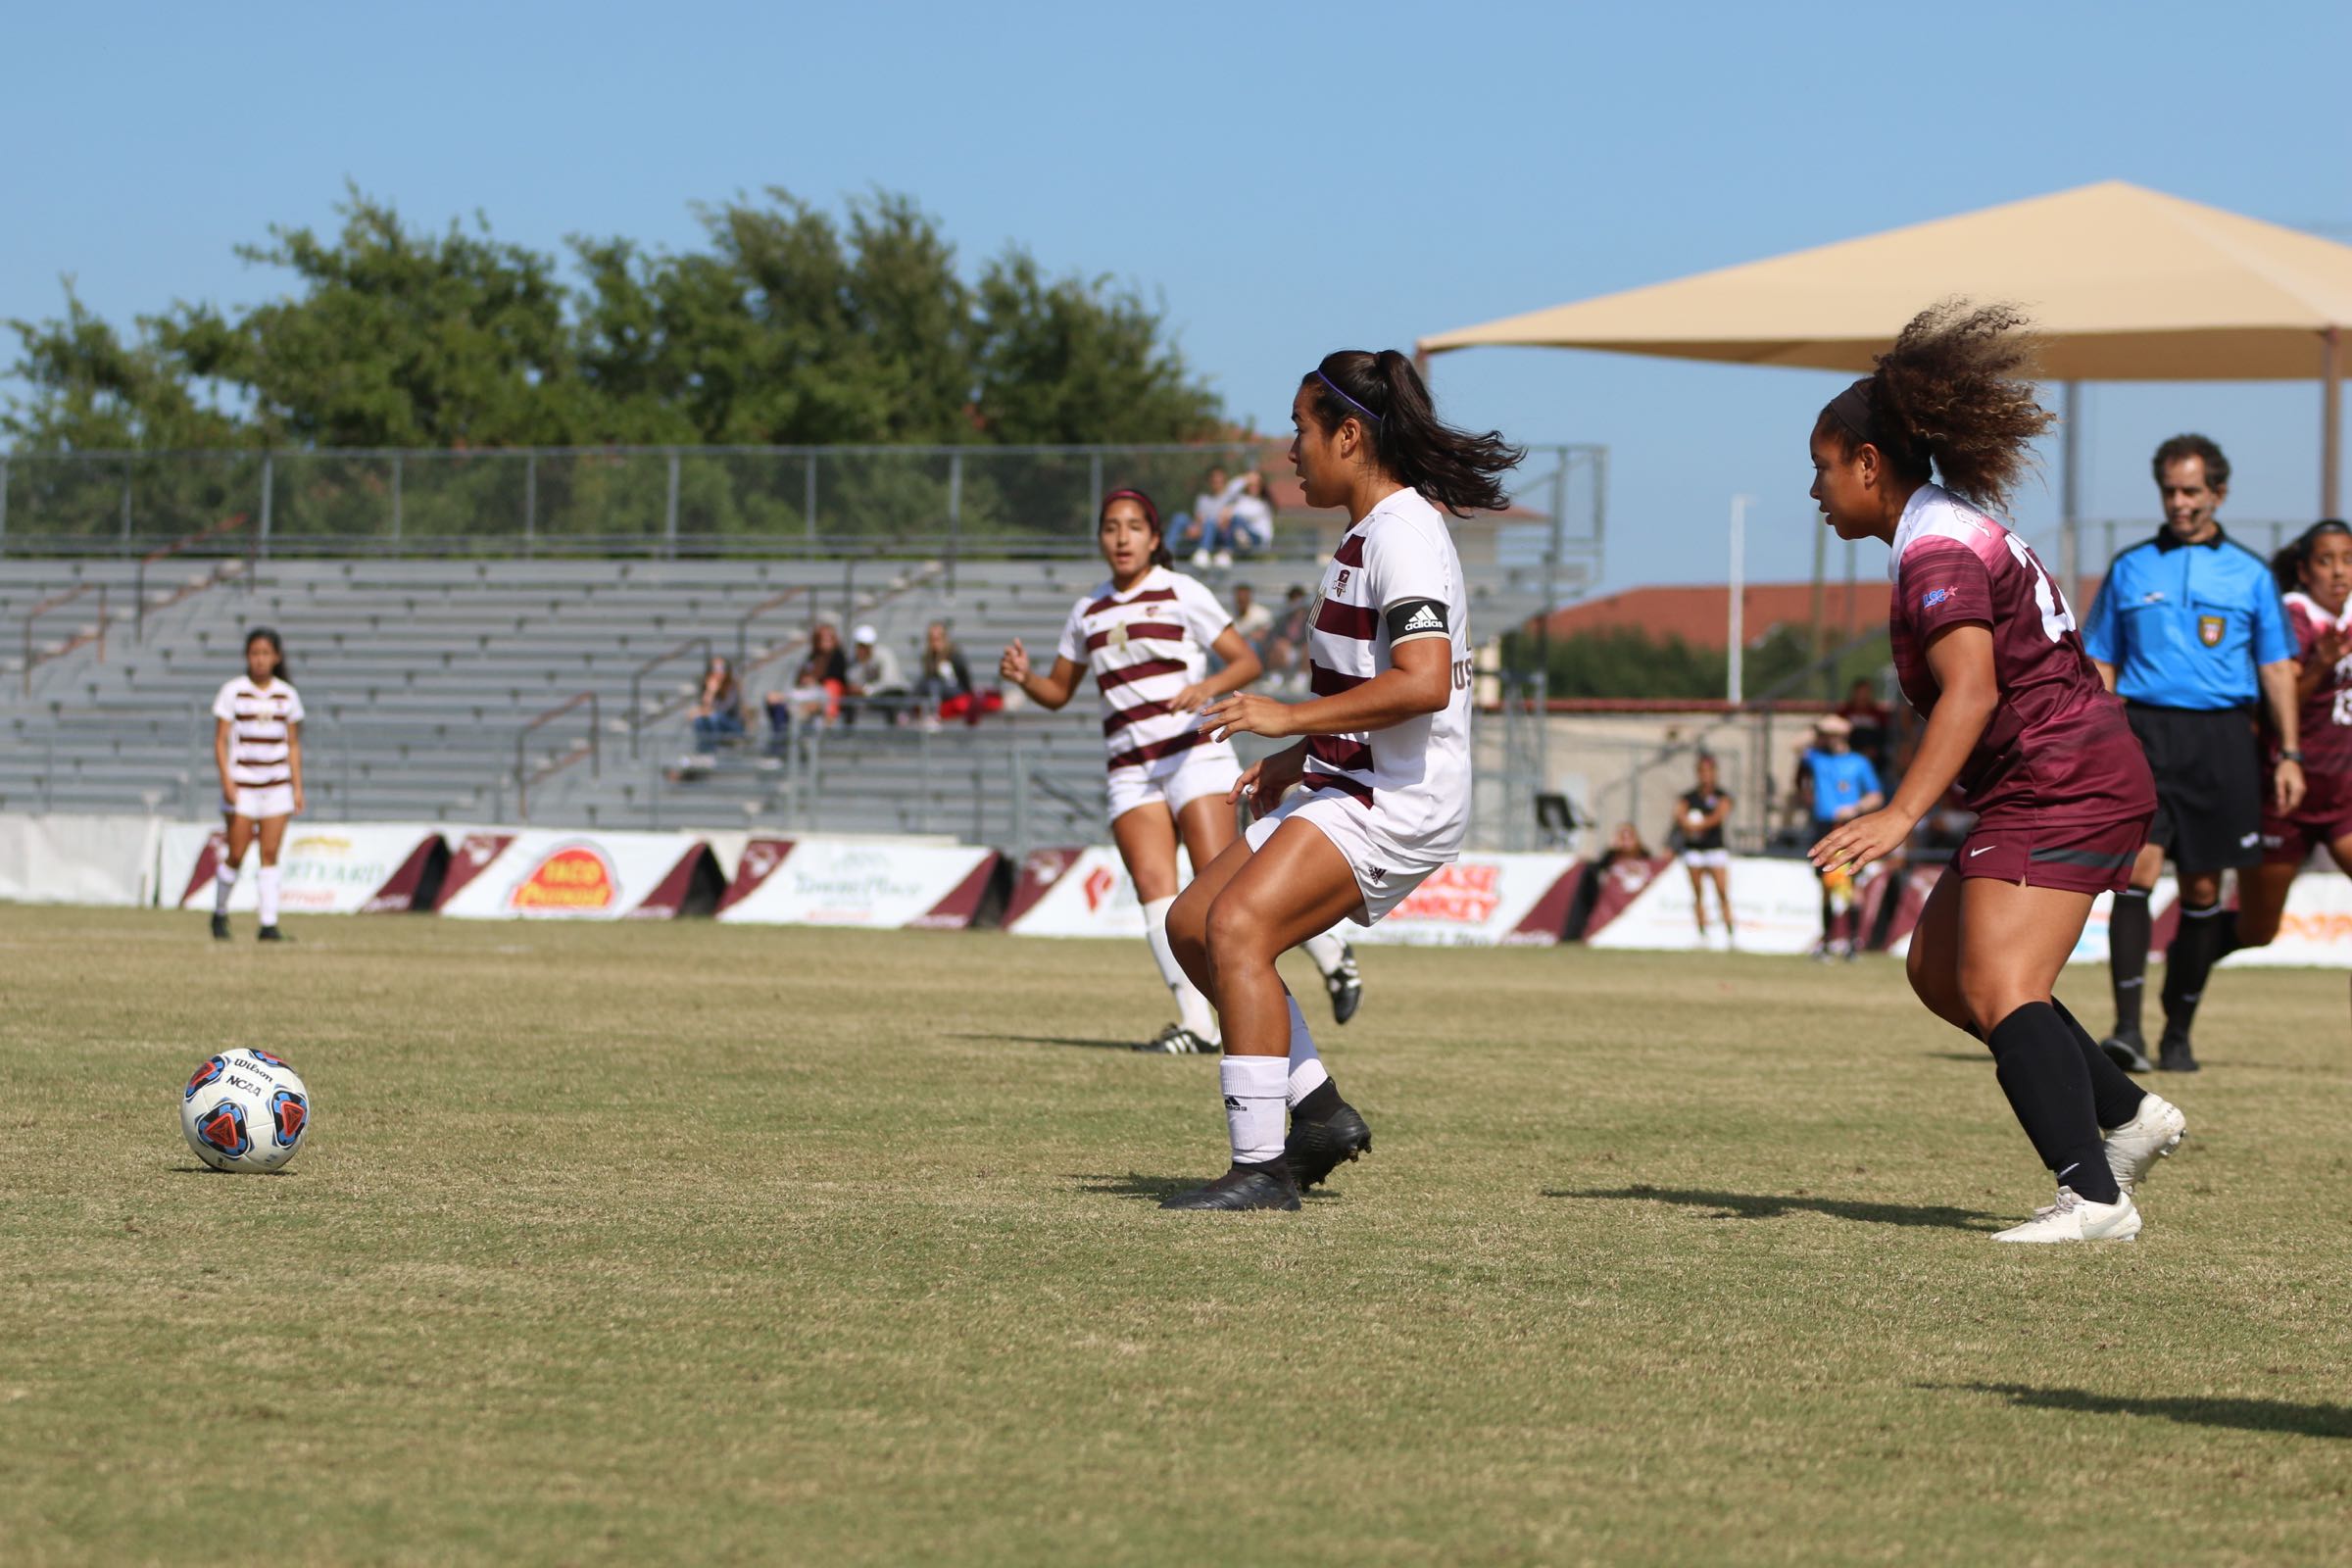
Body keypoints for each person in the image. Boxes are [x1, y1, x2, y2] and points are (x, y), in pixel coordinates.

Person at [1805, 299, 2180, 1245]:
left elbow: (1969, 691)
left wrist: (1898, 813)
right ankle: (2129, 1115)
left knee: (2002, 984)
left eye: (1820, 468)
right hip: (2051, 772)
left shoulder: (1937, 547)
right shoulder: (1948, 530)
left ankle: (2094, 1199)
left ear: (1866, 463)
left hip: (2065, 778)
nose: (1814, 491)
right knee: (1941, 972)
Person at [1157, 347, 1520, 1211]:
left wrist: (1285, 717)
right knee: (1192, 923)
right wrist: (1299, 756)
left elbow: (1423, 680)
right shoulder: (1368, 535)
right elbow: (1369, 689)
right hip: (1350, 781)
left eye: (1300, 429)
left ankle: (1261, 1169)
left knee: (1239, 929)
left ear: (1349, 435)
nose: (1290, 450)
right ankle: (1317, 1112)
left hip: (1399, 801)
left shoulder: (1402, 534)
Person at [999, 488, 1362, 1054]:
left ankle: (1332, 953)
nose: (1121, 537)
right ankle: (1197, 1025)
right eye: (1111, 527)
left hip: (1193, 755)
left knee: (1223, 886)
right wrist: (1025, 679)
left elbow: (1248, 659)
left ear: (1155, 537)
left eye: (1133, 527)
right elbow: (1056, 692)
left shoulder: (1180, 591)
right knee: (1156, 895)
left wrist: (1207, 685)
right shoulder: (1087, 611)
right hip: (1131, 771)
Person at [2081, 433, 2303, 1073]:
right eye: (2170, 491)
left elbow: (2278, 670)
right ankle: (2127, 1031)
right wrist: (2101, 731)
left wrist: (2289, 753)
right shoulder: (2130, 567)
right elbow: (2101, 657)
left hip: (2223, 738)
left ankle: (2178, 1030)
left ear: (2218, 494)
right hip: (2145, 736)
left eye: (2191, 491)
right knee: (2136, 874)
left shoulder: (2250, 574)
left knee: (2204, 886)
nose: (2179, 503)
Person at [2223, 521, 2352, 967]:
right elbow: (2278, 710)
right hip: (2287, 794)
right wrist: (2319, 666)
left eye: (2348, 560)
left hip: (2343, 797)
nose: (2339, 572)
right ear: (2304, 569)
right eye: (2326, 560)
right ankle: (2190, 956)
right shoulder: (2294, 618)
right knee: (2257, 931)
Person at [209, 627, 306, 943]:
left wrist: (297, 786)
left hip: (276, 784)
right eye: (255, 654)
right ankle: (220, 911)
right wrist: (227, 780)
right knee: (236, 852)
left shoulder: (287, 695)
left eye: (266, 654)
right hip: (243, 784)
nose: (260, 660)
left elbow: (292, 744)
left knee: (269, 852)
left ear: (276, 657)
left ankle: (268, 923)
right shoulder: (233, 692)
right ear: (247, 657)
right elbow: (220, 740)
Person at [1795, 714, 1882, 958]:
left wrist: (1855, 808)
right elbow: (1795, 745)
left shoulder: (1859, 762)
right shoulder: (1818, 758)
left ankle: (1853, 943)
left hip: (1849, 826)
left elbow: (1876, 796)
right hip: (1824, 827)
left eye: (1836, 733)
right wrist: (1820, 727)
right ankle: (1826, 941)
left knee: (1853, 884)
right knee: (1825, 884)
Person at [1676, 754, 1736, 947]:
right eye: (1702, 771)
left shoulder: (1721, 795)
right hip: (1694, 849)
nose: (1706, 776)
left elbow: (1719, 815)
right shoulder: (1689, 797)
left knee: (1721, 891)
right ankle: (1702, 934)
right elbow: (1680, 815)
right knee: (1697, 893)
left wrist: (1698, 826)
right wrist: (1687, 824)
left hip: (1714, 848)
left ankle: (1730, 935)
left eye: (1709, 771)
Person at [765, 623, 848, 744]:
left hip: (819, 695)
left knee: (790, 705)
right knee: (775, 703)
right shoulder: (811, 657)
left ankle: (786, 736)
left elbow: (835, 679)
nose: (825, 642)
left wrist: (815, 681)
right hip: (805, 693)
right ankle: (780, 739)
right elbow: (800, 678)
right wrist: (806, 680)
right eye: (821, 638)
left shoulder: (838, 657)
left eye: (828, 638)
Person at [911, 620, 978, 726]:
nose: (934, 643)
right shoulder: (928, 656)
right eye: (931, 639)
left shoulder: (954, 654)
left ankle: (933, 714)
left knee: (934, 683)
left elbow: (964, 678)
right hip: (937, 692)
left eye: (937, 639)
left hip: (955, 690)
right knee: (923, 684)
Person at [1171, 466, 1245, 562]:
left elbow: (1225, 521)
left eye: (1220, 480)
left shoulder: (1230, 497)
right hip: (1203, 531)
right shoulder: (1202, 499)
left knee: (1210, 522)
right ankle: (1167, 552)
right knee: (1179, 517)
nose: (1217, 483)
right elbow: (1199, 519)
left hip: (1219, 534)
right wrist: (1195, 528)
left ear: (1225, 482)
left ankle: (1203, 552)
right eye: (1214, 481)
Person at [843, 623, 907, 725]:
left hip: (892, 693)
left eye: (866, 646)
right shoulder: (854, 661)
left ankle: (895, 730)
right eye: (860, 646)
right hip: (870, 698)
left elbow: (888, 682)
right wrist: (862, 663)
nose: (863, 650)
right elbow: (852, 682)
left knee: (890, 699)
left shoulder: (884, 655)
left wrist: (867, 690)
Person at [689, 656, 746, 749]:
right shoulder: (706, 686)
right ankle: (705, 752)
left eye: (722, 668)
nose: (718, 672)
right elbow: (703, 708)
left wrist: (700, 711)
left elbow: (724, 709)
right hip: (714, 719)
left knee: (714, 717)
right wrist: (709, 692)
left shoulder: (732, 686)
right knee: (699, 721)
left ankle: (714, 750)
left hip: (733, 724)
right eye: (714, 668)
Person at [1229, 583, 1274, 657]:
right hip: (1237, 648)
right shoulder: (1230, 617)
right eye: (1239, 599)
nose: (1242, 601)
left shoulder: (1261, 614)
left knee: (1250, 646)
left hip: (1258, 651)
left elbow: (1265, 634)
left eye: (1244, 598)